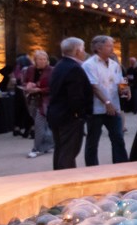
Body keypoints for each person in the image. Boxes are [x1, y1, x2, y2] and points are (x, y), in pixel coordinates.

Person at [82, 35, 129, 166]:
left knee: (118, 137)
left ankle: (121, 165)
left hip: (114, 107)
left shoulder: (115, 65)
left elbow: (120, 81)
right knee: (93, 140)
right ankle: (92, 168)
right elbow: (93, 86)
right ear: (98, 48)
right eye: (109, 46)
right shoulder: (89, 65)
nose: (112, 48)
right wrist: (106, 102)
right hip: (96, 109)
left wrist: (125, 90)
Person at [47, 37, 92, 170]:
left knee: (61, 149)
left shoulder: (60, 65)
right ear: (77, 51)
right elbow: (76, 96)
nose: (84, 52)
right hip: (69, 116)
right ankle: (66, 178)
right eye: (83, 49)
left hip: (57, 113)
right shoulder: (74, 68)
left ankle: (60, 176)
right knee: (69, 151)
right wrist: (80, 114)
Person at [23, 50, 54, 158]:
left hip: (45, 101)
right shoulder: (30, 70)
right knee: (44, 125)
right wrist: (28, 85)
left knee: (39, 124)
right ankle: (49, 144)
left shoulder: (52, 70)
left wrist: (40, 90)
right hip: (32, 100)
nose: (42, 61)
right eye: (40, 59)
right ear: (35, 60)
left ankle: (36, 148)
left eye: (44, 59)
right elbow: (24, 82)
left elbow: (53, 87)